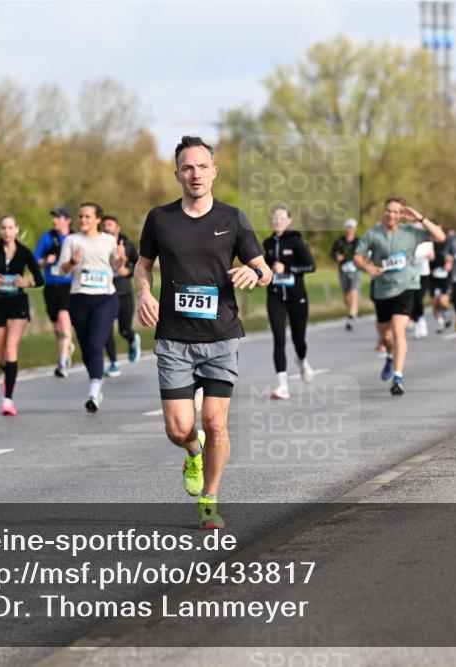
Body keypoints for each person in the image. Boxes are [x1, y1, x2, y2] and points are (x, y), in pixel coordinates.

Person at [135, 136, 271, 530]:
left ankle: (209, 499)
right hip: (174, 338)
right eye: (187, 167)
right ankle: (192, 451)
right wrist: (145, 292)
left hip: (221, 337)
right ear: (177, 173)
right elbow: (143, 266)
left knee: (215, 422)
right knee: (179, 428)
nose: (195, 174)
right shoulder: (160, 219)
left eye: (202, 166)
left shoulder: (233, 219)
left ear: (214, 171)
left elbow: (266, 270)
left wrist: (255, 271)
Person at [354, 197, 446, 396]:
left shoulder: (411, 233)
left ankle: (398, 377)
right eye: (388, 210)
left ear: (402, 214)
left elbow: (440, 237)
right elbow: (357, 257)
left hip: (406, 287)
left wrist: (419, 217)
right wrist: (368, 267)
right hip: (381, 290)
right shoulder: (373, 234)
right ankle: (389, 354)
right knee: (386, 335)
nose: (391, 215)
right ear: (384, 212)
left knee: (398, 330)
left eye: (396, 212)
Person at [0, 214, 45, 415]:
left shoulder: (24, 252)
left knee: (11, 347)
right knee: (1, 358)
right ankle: (9, 377)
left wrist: (26, 283)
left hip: (18, 304)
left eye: (10, 227)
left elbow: (40, 279)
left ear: (16, 230)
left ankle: (8, 400)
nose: (6, 231)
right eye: (3, 227)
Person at [58, 203, 125, 413]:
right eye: (81, 217)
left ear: (98, 219)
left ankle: (93, 393)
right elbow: (61, 271)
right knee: (87, 350)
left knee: (96, 345)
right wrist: (72, 261)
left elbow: (117, 266)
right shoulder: (72, 240)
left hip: (105, 299)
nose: (83, 220)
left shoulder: (109, 240)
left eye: (87, 217)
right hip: (79, 299)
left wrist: (121, 257)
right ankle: (96, 383)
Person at [264, 205, 316, 400]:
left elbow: (311, 266)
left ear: (289, 221)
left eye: (282, 218)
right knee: (279, 339)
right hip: (276, 297)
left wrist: (287, 268)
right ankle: (282, 386)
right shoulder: (268, 243)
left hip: (297, 298)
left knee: (298, 340)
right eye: (275, 217)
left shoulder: (296, 241)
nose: (278, 221)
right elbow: (265, 267)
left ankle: (302, 361)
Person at [34, 206, 75, 378]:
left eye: (58, 217)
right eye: (54, 218)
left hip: (69, 285)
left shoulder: (75, 238)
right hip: (50, 286)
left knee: (64, 320)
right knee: (57, 328)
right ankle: (67, 347)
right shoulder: (47, 237)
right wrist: (45, 261)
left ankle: (63, 361)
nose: (55, 220)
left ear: (67, 220)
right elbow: (35, 261)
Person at [101, 215, 142, 378]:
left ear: (117, 228)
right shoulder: (99, 244)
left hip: (124, 292)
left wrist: (128, 270)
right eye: (104, 225)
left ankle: (132, 339)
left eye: (109, 224)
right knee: (105, 329)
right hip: (104, 293)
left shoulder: (126, 244)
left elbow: (140, 265)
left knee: (124, 330)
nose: (106, 227)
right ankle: (113, 363)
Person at [330, 219, 360, 330]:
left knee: (353, 292)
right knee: (346, 297)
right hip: (343, 270)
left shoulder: (358, 242)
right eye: (348, 227)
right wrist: (337, 257)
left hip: (355, 270)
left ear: (355, 229)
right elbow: (332, 253)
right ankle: (352, 311)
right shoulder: (339, 241)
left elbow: (363, 254)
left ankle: (351, 316)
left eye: (352, 227)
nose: (350, 229)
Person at [411, 236, 434, 338]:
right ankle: (417, 323)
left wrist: (428, 256)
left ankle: (421, 321)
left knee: (419, 299)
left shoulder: (427, 243)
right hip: (412, 275)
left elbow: (432, 257)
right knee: (412, 300)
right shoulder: (409, 243)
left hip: (423, 274)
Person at [429, 232, 453, 333]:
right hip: (432, 277)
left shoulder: (447, 244)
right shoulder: (428, 245)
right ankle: (440, 323)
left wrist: (450, 261)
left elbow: (453, 256)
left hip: (445, 277)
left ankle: (447, 314)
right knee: (435, 304)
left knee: (443, 300)